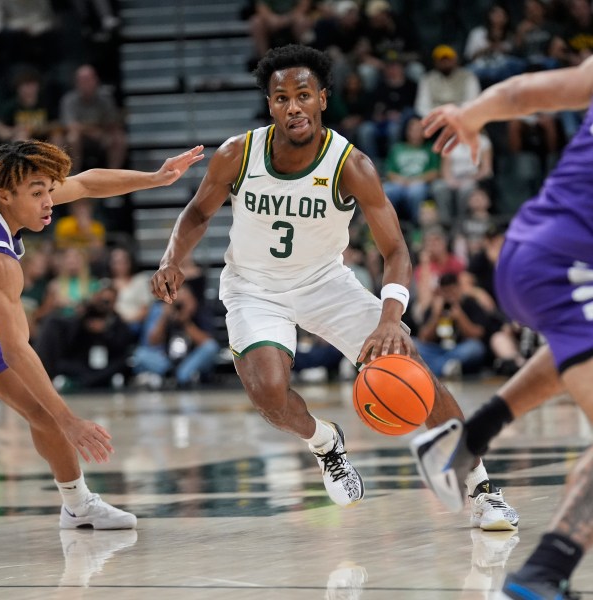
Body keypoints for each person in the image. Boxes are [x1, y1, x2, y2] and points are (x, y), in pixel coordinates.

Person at [150, 44, 518, 530]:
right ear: (270, 105)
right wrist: (173, 257)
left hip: (326, 282)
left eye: (303, 95)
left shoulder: (351, 165)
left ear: (322, 98)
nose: (293, 106)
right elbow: (197, 213)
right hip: (252, 287)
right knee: (269, 395)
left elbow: (396, 252)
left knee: (415, 374)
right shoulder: (238, 154)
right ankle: (324, 441)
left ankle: (481, 487)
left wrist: (391, 319)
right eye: (281, 98)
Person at [410, 54, 593, 598]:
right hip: (567, 265)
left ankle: (468, 440)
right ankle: (543, 572)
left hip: (527, 250)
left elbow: (525, 94)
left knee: (576, 342)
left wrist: (472, 114)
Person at [0, 139, 204, 529]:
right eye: (37, 194)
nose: (49, 202)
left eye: (48, 191)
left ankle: (78, 507)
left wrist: (156, 178)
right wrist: (72, 420)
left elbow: (88, 184)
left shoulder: (13, 200)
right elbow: (17, 350)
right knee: (56, 417)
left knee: (45, 414)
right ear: (4, 196)